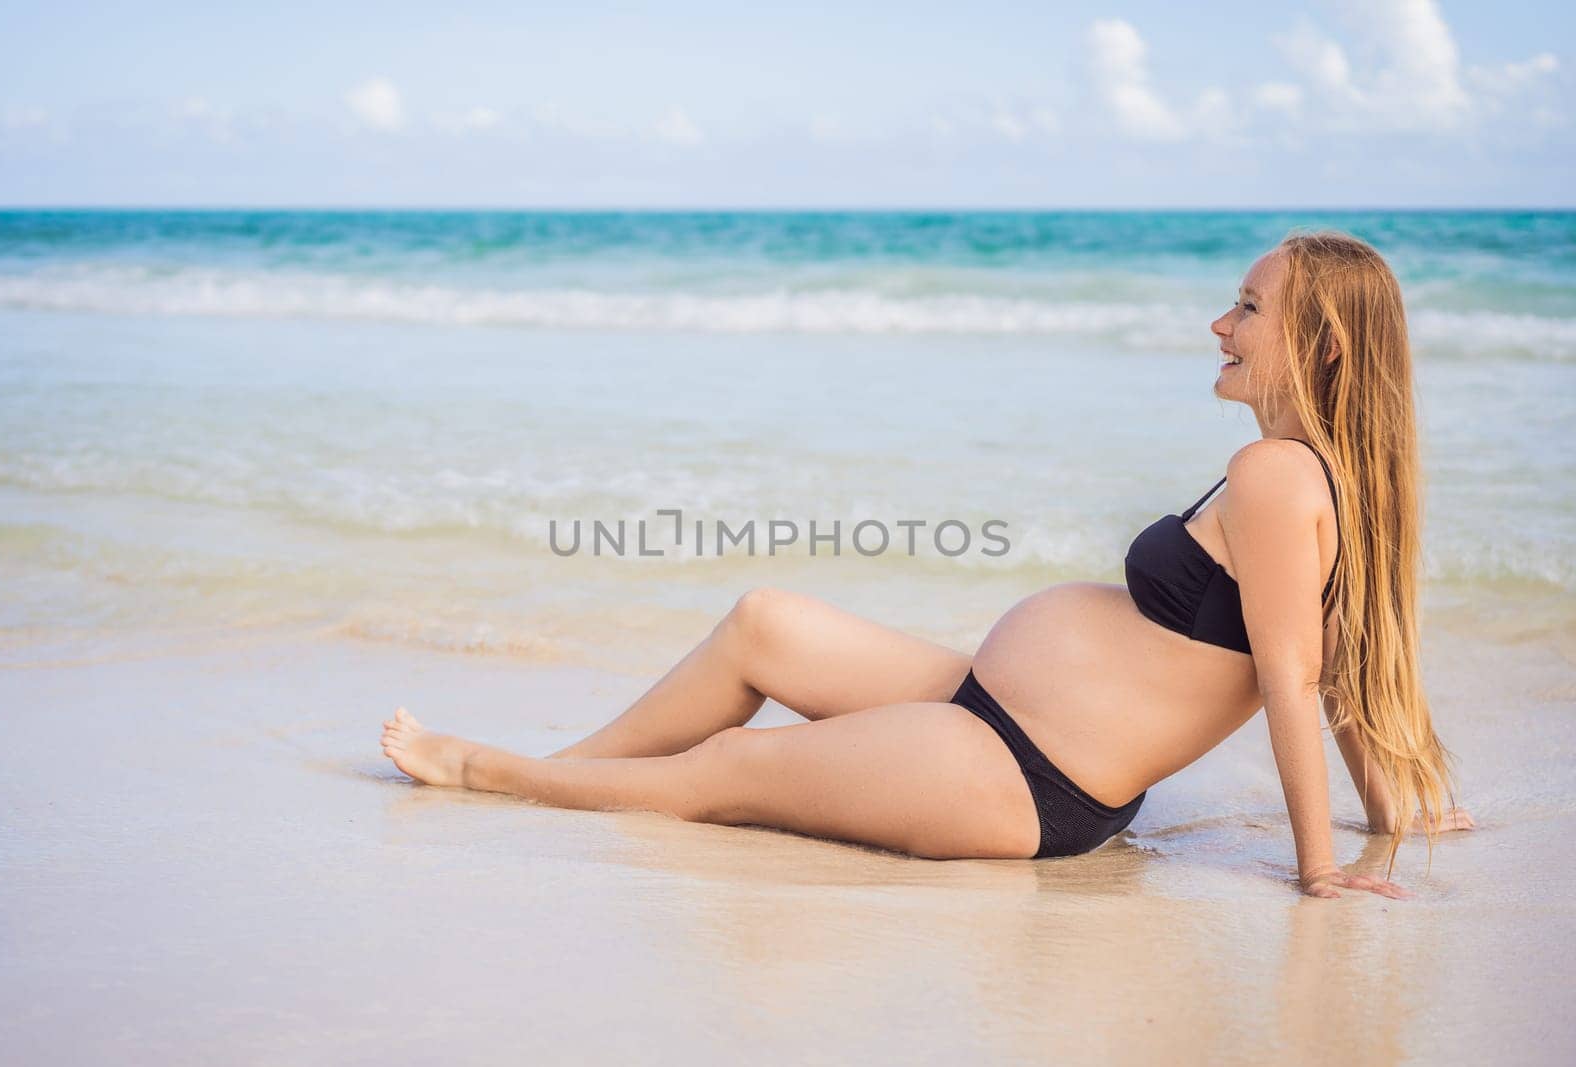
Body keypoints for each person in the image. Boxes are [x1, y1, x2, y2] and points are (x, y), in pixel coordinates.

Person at [379, 229, 1474, 900]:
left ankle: (491, 770)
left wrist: (1321, 871)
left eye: (1247, 306)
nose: (1217, 322)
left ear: (1323, 343)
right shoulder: (1291, 471)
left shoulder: (1279, 475)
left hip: (1021, 778)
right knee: (762, 619)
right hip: (987, 705)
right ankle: (569, 772)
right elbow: (1340, 668)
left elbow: (1296, 677)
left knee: (722, 769)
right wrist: (1386, 814)